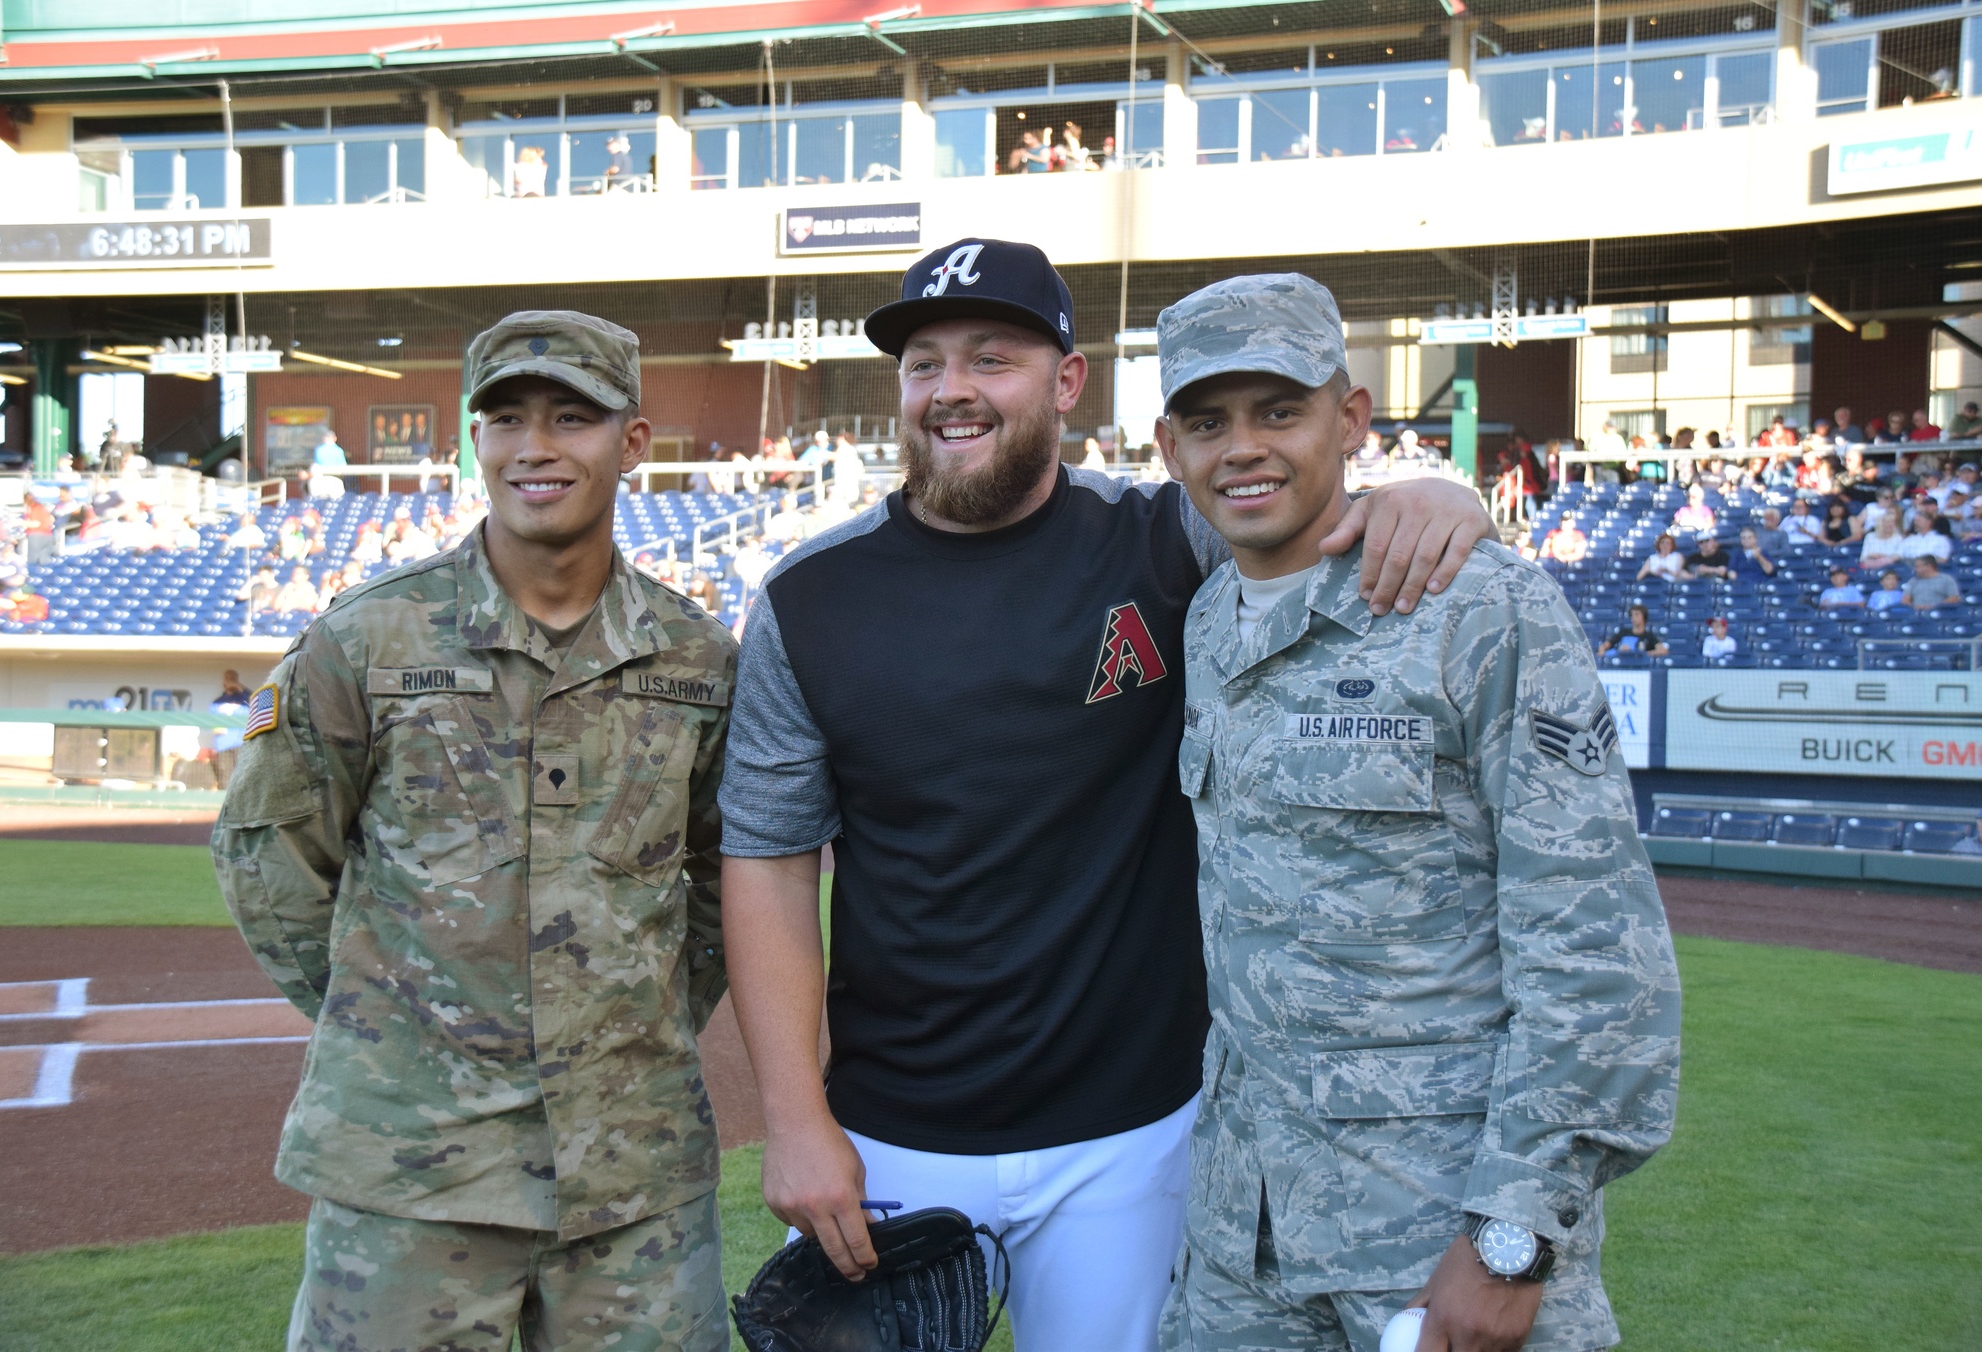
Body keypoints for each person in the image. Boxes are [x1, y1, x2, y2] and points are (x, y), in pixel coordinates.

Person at [716, 239, 1493, 1352]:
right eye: (924, 364)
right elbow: (771, 862)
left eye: (991, 357)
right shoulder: (808, 597)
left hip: (1135, 1129)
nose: (952, 391)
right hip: (893, 1128)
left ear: (1067, 382)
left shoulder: (1164, 539)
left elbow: (1301, 497)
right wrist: (792, 1117)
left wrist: (1433, 488)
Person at [1150, 273, 1678, 1352]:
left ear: (1350, 419)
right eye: (1207, 423)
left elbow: (1592, 951)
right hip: (1239, 1236)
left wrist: (1512, 1233)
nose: (1240, 447)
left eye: (1278, 411)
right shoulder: (1206, 619)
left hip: (1434, 1221)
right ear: (1168, 449)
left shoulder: (1479, 607)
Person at [212, 310, 740, 1350]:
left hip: (631, 1179)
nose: (533, 446)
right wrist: (391, 1021)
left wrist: (631, 1026)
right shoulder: (368, 639)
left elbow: (733, 880)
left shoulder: (698, 660)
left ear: (631, 440)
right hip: (409, 1173)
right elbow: (265, 852)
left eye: (572, 416)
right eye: (504, 418)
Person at [1598, 603, 1670, 658]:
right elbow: (1604, 646)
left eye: (1637, 615)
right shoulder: (1623, 632)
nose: (1633, 618)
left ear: (1644, 617)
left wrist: (1643, 654)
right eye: (1632, 615)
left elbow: (1663, 650)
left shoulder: (1649, 636)